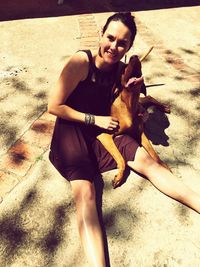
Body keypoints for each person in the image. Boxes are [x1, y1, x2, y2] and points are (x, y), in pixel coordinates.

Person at [48, 12, 200, 267]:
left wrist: (136, 104)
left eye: (122, 43)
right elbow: (54, 106)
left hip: (108, 130)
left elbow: (130, 100)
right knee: (85, 193)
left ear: (129, 47)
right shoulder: (81, 62)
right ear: (101, 35)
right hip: (74, 130)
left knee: (151, 164)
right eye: (110, 38)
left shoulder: (122, 70)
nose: (114, 46)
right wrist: (93, 120)